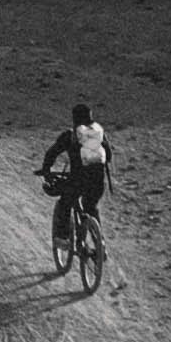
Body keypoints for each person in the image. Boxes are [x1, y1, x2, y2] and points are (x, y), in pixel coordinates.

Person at [39, 101, 110, 268]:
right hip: (98, 181)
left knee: (65, 202)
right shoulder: (99, 134)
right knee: (91, 207)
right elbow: (109, 156)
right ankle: (100, 245)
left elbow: (52, 153)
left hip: (78, 180)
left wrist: (46, 170)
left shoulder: (70, 135)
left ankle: (63, 238)